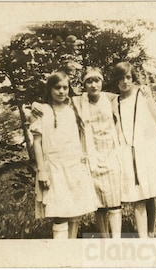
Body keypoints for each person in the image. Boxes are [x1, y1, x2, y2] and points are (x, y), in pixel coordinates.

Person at [30, 71, 98, 239]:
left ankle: (71, 249)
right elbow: (37, 143)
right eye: (57, 88)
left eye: (65, 88)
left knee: (75, 209)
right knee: (60, 211)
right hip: (54, 168)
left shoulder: (73, 109)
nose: (61, 91)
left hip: (74, 165)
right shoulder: (42, 110)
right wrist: (42, 170)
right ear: (50, 89)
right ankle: (60, 251)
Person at [111, 62, 156, 238]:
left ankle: (150, 232)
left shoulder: (142, 94)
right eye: (120, 78)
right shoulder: (115, 101)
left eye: (128, 77)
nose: (125, 82)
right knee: (139, 193)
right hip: (127, 150)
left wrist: (149, 96)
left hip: (146, 147)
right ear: (115, 81)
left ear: (133, 78)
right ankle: (144, 234)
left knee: (149, 189)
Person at [71, 67, 122, 238]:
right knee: (99, 202)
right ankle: (105, 238)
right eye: (89, 81)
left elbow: (132, 93)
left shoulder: (111, 98)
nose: (93, 85)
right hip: (91, 155)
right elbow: (53, 99)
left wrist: (143, 88)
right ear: (84, 84)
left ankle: (116, 240)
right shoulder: (78, 102)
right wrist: (35, 104)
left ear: (102, 81)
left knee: (114, 201)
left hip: (111, 152)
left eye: (96, 80)